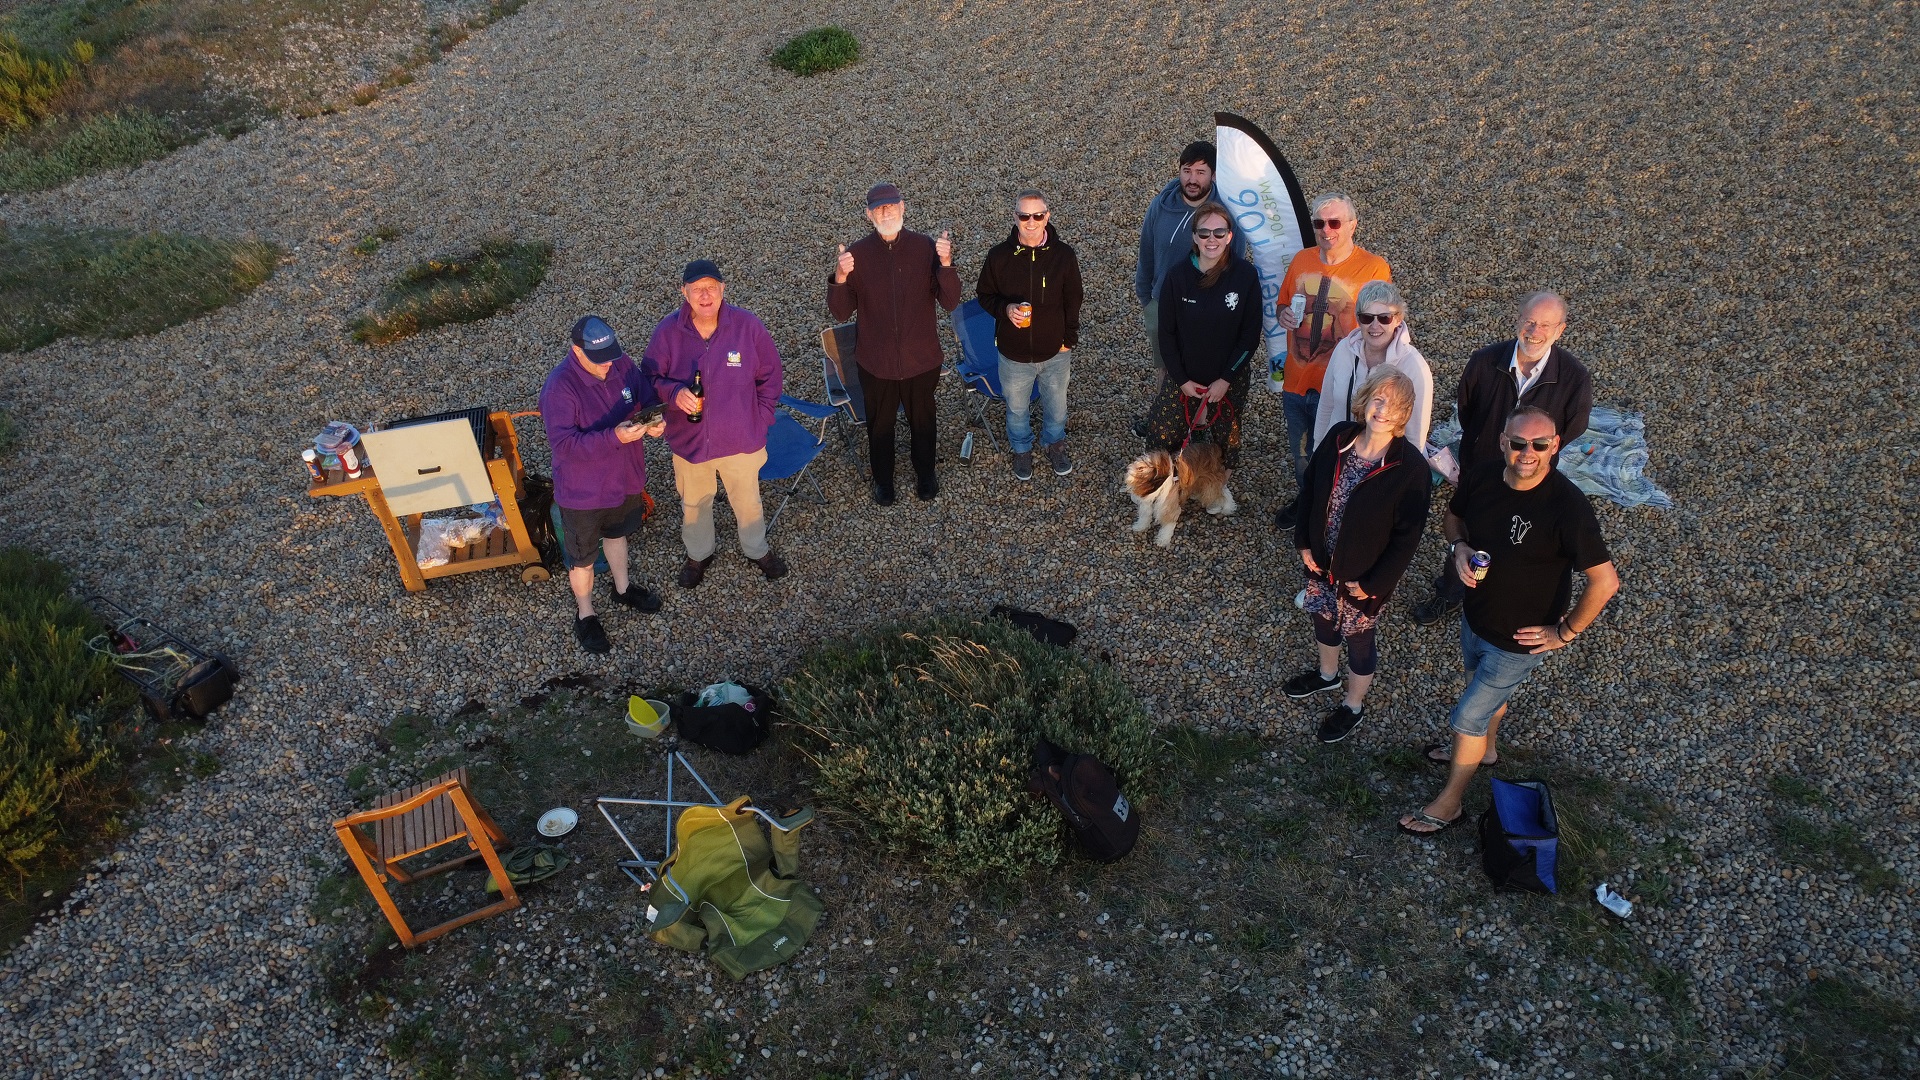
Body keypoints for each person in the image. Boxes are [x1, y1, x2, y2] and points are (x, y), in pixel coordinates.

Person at [1397, 406, 1620, 835]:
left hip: (1520, 641)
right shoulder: (1481, 477)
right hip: (1476, 618)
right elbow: (1453, 518)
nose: (1527, 453)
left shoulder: (1567, 506)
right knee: (1479, 690)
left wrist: (1565, 632)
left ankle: (1449, 804)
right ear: (1503, 442)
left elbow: (1604, 582)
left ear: (1555, 446)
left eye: (1540, 444)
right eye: (1518, 443)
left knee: (1466, 718)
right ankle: (1488, 751)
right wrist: (1458, 548)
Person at [1412, 290, 1593, 625]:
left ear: (1561, 330)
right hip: (1480, 469)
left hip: (1531, 478)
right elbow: (1466, 412)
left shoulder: (1574, 377)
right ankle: (1449, 594)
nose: (1535, 331)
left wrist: (1532, 456)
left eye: (1546, 325)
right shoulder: (1484, 361)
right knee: (1464, 532)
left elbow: (1573, 427)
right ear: (1518, 319)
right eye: (1530, 321)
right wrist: (1484, 445)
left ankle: (1499, 600)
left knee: (1519, 538)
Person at [1286, 368, 1430, 743]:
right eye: (1378, 399)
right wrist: (1303, 542)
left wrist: (1374, 584)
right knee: (1322, 618)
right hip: (1321, 562)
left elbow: (1407, 539)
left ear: (1404, 415)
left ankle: (1353, 705)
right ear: (1364, 400)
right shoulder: (1338, 439)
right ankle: (1327, 676)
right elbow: (1311, 492)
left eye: (1394, 405)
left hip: (1362, 579)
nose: (1383, 410)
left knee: (1360, 639)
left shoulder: (1410, 468)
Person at [643, 259, 788, 590]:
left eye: (711, 287)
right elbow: (648, 377)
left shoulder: (747, 326)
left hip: (741, 440)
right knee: (694, 503)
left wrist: (761, 418)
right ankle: (699, 555)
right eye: (697, 289)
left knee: (748, 501)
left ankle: (757, 550)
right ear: (684, 293)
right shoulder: (668, 332)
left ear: (723, 289)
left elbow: (771, 375)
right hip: (690, 441)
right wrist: (674, 391)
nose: (704, 295)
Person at [539, 315, 667, 654]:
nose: (608, 364)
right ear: (576, 350)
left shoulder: (622, 364)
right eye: (599, 359)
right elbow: (564, 445)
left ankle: (622, 590)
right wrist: (615, 437)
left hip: (624, 480)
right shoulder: (559, 388)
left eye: (610, 354)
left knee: (618, 533)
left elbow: (648, 396)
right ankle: (586, 614)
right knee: (581, 557)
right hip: (583, 492)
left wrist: (656, 421)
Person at [827, 182, 961, 505]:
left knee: (924, 422)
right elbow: (841, 311)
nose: (886, 213)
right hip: (876, 362)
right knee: (880, 425)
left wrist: (946, 264)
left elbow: (951, 300)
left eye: (891, 206)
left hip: (921, 359)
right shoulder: (855, 256)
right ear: (868, 214)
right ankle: (883, 481)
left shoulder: (926, 248)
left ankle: (926, 474)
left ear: (903, 207)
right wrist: (840, 276)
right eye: (879, 208)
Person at [1273, 192, 1392, 529]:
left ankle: (1333, 509)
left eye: (1335, 222)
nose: (1327, 230)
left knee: (1338, 451)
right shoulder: (1301, 260)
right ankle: (1308, 499)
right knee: (1301, 453)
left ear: (1352, 225)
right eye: (1319, 223)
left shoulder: (1374, 268)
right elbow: (1284, 304)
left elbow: (1384, 323)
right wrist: (1283, 316)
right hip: (1296, 381)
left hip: (1343, 384)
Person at [1140, 203, 1262, 470]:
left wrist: (1225, 379)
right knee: (1160, 436)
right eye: (1204, 233)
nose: (1212, 240)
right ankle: (1161, 491)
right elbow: (1167, 334)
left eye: (1219, 233)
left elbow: (1250, 335)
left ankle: (1216, 493)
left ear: (1230, 236)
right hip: (1184, 377)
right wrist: (1182, 380)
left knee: (1225, 441)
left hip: (1228, 378)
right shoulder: (1177, 276)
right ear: (1194, 236)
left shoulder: (1245, 276)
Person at [976, 188, 1085, 480]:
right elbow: (984, 295)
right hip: (1013, 354)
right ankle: (1021, 448)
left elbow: (1074, 298)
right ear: (1015, 217)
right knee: (1016, 409)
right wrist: (1006, 308)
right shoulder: (998, 256)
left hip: (1056, 352)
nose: (1031, 221)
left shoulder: (1063, 255)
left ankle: (1054, 443)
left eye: (1038, 215)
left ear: (1047, 216)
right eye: (1024, 215)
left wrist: (1068, 340)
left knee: (1057, 406)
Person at [1134, 141, 1248, 378]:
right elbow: (1146, 251)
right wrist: (1148, 299)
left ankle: (1204, 416)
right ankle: (1165, 413)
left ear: (1213, 176)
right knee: (1166, 371)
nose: (1192, 179)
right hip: (1162, 304)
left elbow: (1235, 260)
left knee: (1206, 370)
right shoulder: (1161, 205)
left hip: (1208, 307)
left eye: (1200, 172)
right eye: (1186, 171)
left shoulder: (1225, 212)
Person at [1312, 281, 1433, 453]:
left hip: (1383, 465)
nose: (1375, 326)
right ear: (1358, 320)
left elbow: (1415, 434)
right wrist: (1318, 451)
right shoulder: (1343, 350)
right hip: (1337, 452)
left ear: (1398, 319)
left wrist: (1406, 474)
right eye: (1367, 318)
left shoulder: (1414, 367)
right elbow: (1326, 405)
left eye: (1384, 318)